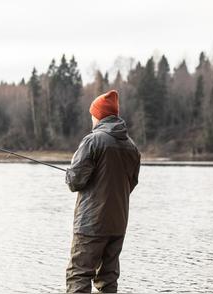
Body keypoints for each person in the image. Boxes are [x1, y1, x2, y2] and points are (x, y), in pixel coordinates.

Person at [65, 90, 140, 293]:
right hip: (117, 225)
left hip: (90, 224)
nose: (91, 118)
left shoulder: (93, 141)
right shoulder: (132, 147)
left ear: (99, 115)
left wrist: (70, 173)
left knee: (78, 275)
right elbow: (131, 184)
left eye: (93, 114)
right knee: (108, 280)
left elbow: (75, 181)